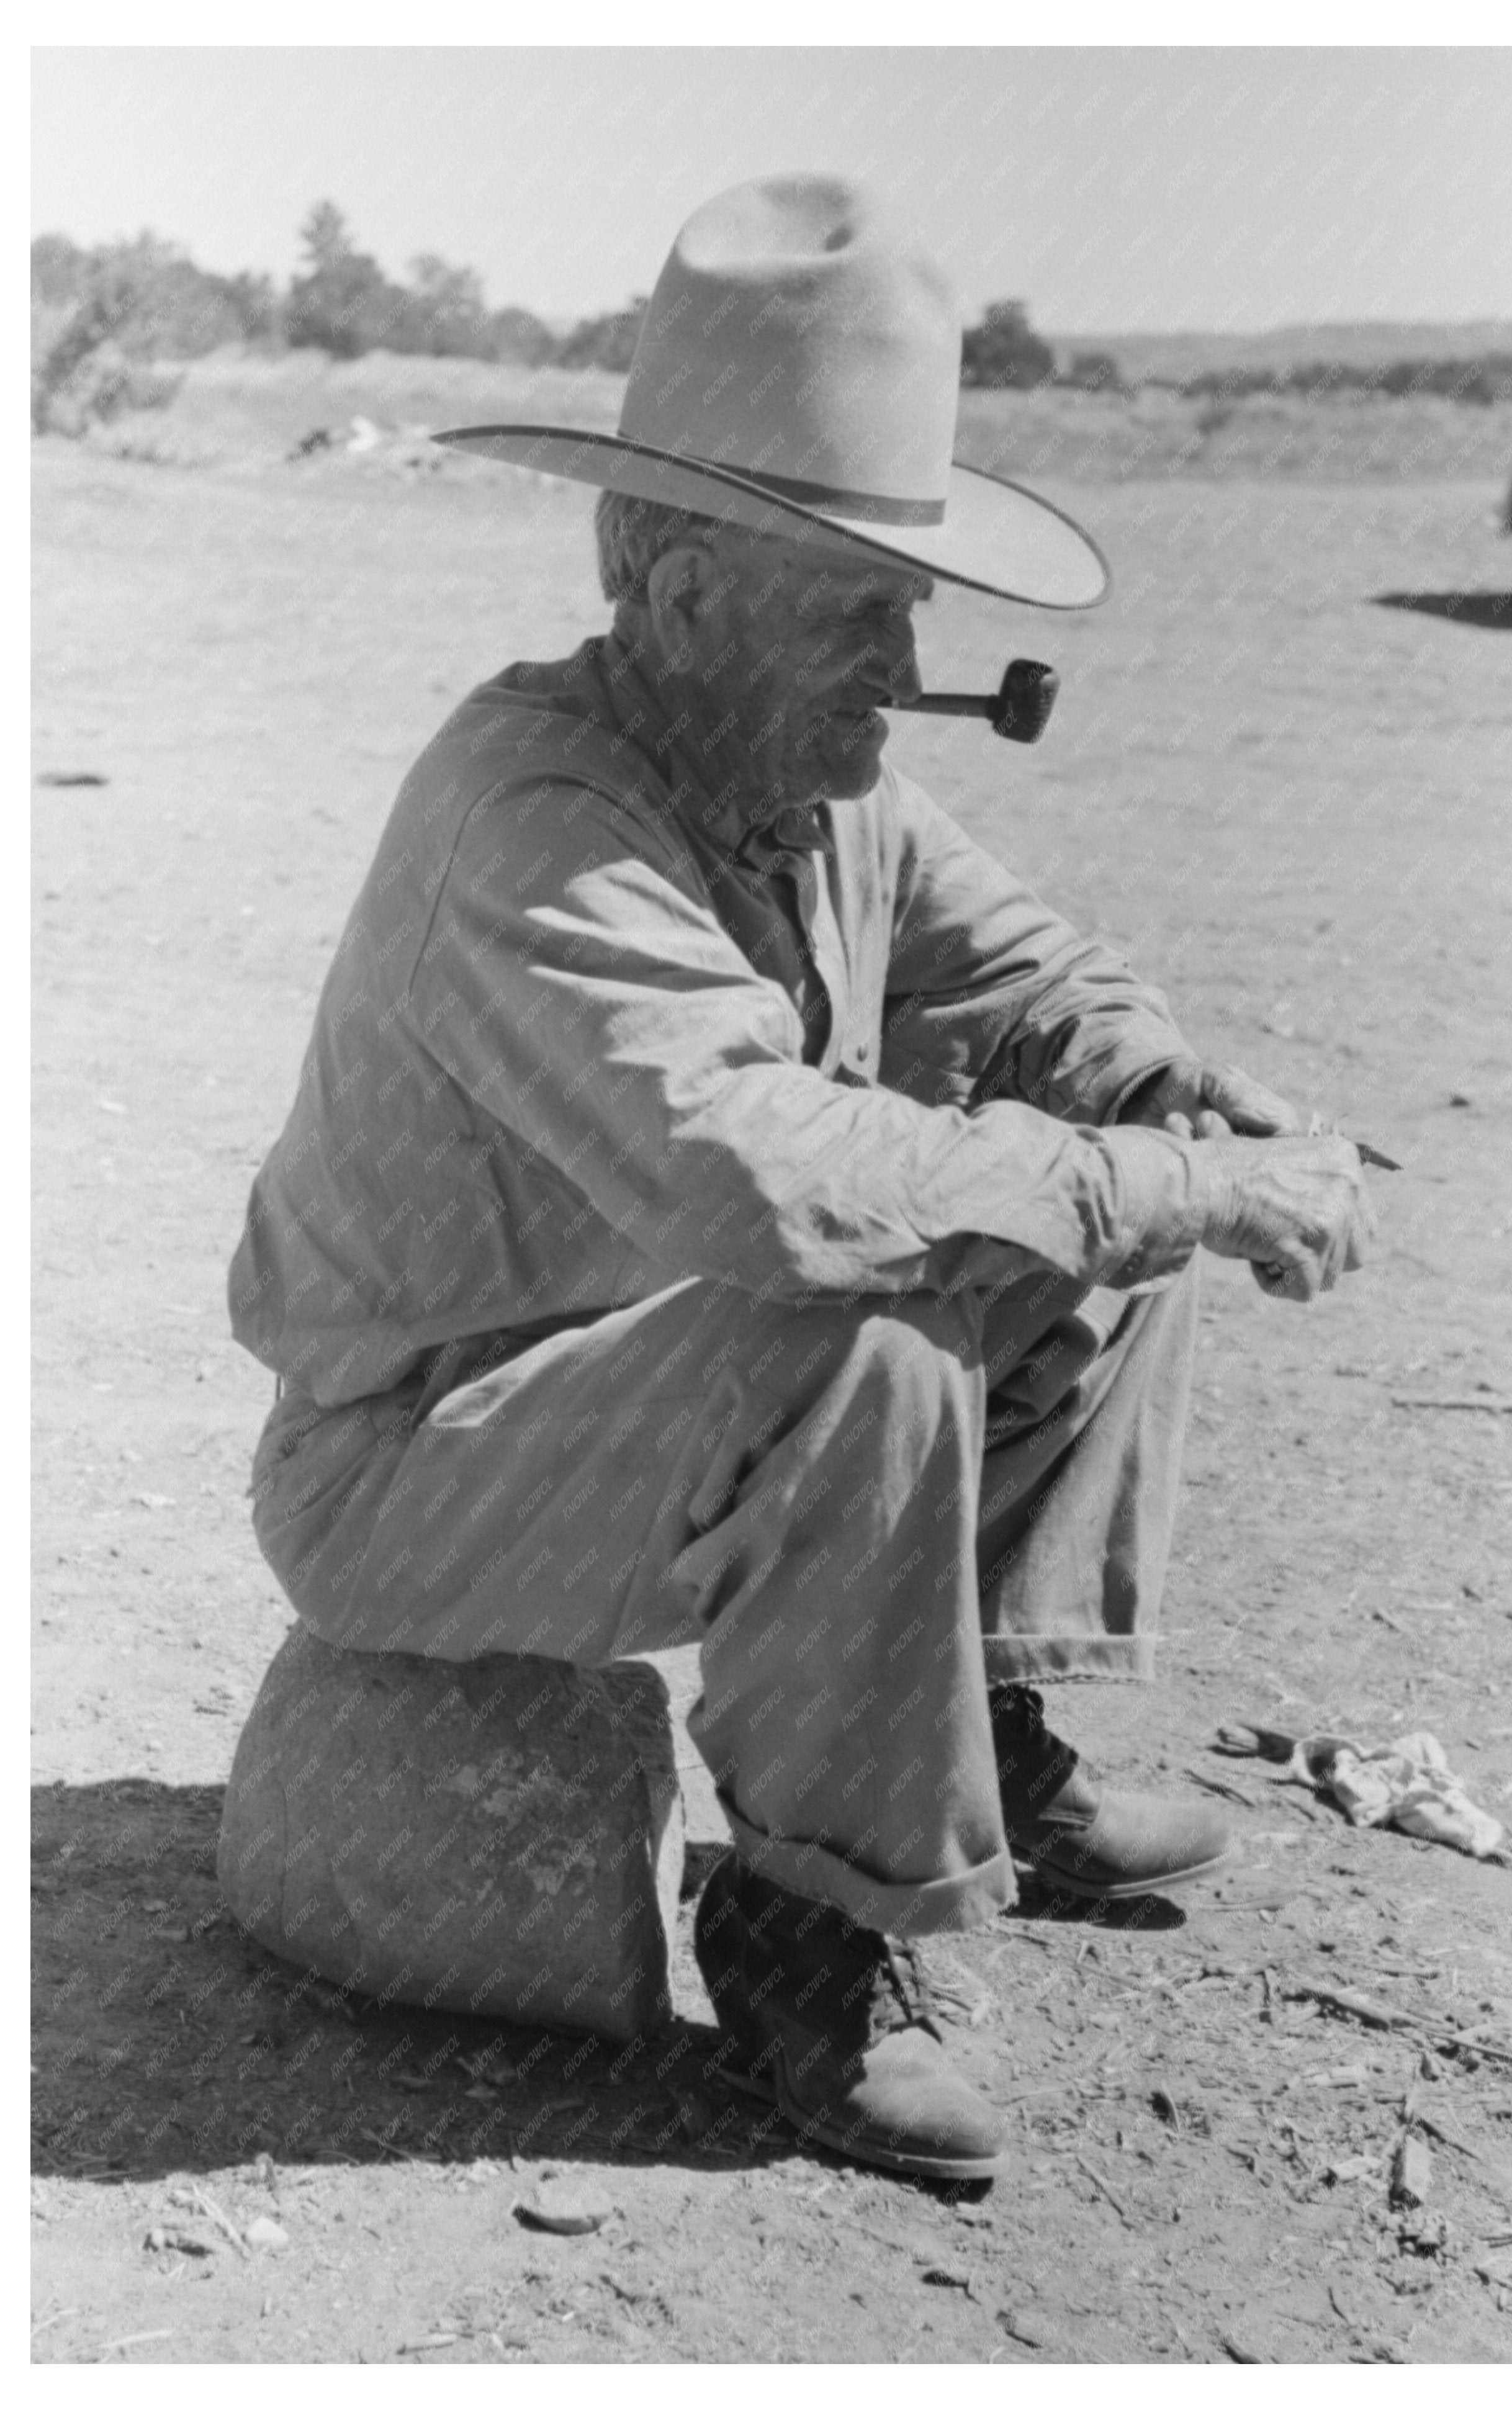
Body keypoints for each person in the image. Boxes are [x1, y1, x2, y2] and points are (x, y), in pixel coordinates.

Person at [229, 175, 1375, 2182]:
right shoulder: (533, 819)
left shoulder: (814, 783)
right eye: (859, 600)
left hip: (629, 1388)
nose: (907, 649)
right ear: (681, 596)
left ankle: (980, 1741)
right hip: (411, 1460)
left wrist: (1177, 1096)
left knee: (1085, 1220)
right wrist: (1156, 1178)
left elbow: (1032, 981)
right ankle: (810, 1930)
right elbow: (757, 1186)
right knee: (873, 1329)